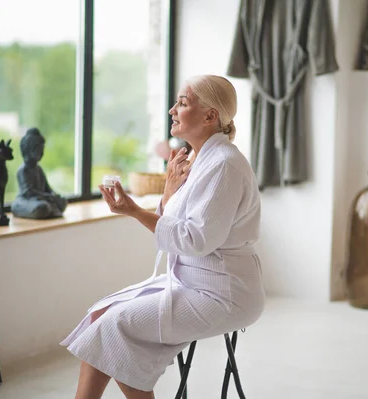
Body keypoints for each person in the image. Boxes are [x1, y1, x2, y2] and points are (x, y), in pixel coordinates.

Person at [60, 74, 265, 399]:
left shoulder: (224, 165)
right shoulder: (199, 160)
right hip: (192, 281)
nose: (172, 110)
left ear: (210, 116)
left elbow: (196, 240)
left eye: (182, 103)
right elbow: (180, 222)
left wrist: (134, 211)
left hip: (224, 294)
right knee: (100, 314)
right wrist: (169, 192)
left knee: (115, 326)